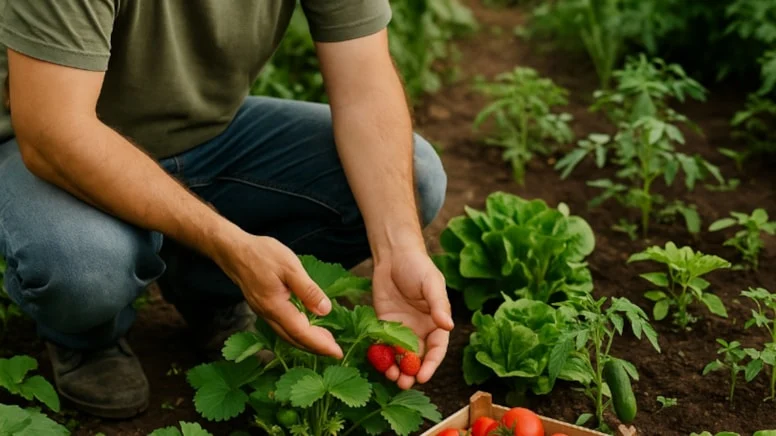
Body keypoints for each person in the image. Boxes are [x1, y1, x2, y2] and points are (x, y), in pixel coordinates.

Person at [0, 0, 453, 419]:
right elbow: (53, 132)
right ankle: (87, 334)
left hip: (208, 138)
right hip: (51, 147)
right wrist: (228, 242)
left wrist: (399, 248)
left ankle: (204, 287)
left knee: (412, 179)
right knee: (82, 263)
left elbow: (366, 87)